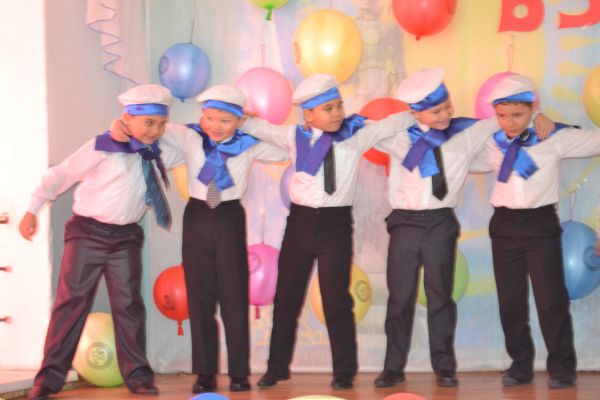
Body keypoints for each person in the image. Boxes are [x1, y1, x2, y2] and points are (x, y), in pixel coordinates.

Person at [371, 67, 554, 388]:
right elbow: (367, 131)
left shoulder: (466, 133)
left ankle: (444, 367)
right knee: (399, 298)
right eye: (436, 111)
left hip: (440, 223)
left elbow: (507, 120)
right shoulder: (398, 137)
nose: (445, 115)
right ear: (416, 112)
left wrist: (539, 116)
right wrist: (404, 118)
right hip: (404, 225)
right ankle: (393, 368)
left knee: (440, 296)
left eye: (448, 107)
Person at [240, 73, 414, 390]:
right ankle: (276, 368)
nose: (337, 113)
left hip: (335, 226)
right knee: (287, 298)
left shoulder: (354, 135)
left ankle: (344, 371)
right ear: (308, 114)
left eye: (338, 106)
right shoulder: (294, 137)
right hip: (300, 224)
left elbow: (389, 125)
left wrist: (417, 111)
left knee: (336, 300)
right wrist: (245, 119)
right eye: (328, 108)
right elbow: (263, 129)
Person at [110, 84, 288, 394]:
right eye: (209, 117)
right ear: (201, 115)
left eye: (225, 120)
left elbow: (286, 148)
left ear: (238, 120)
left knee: (234, 297)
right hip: (197, 217)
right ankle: (205, 372)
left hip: (229, 217)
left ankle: (239, 373)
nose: (215, 126)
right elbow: (148, 128)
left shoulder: (248, 144)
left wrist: (253, 125)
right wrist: (119, 124)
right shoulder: (189, 135)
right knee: (199, 296)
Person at [19, 84, 178, 400]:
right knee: (70, 304)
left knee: (129, 305)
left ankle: (138, 376)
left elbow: (190, 137)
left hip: (126, 237)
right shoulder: (103, 146)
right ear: (127, 118)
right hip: (87, 234)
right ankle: (48, 378)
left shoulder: (160, 151)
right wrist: (32, 209)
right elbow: (63, 174)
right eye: (148, 122)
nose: (155, 130)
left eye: (161, 124)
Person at [478, 73, 600, 389]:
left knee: (551, 300)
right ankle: (520, 365)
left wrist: (544, 119)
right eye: (502, 115)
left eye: (518, 115)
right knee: (510, 302)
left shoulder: (551, 137)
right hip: (504, 226)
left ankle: (562, 367)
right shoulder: (491, 142)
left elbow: (594, 141)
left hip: (541, 226)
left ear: (532, 109)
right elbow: (456, 144)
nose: (510, 122)